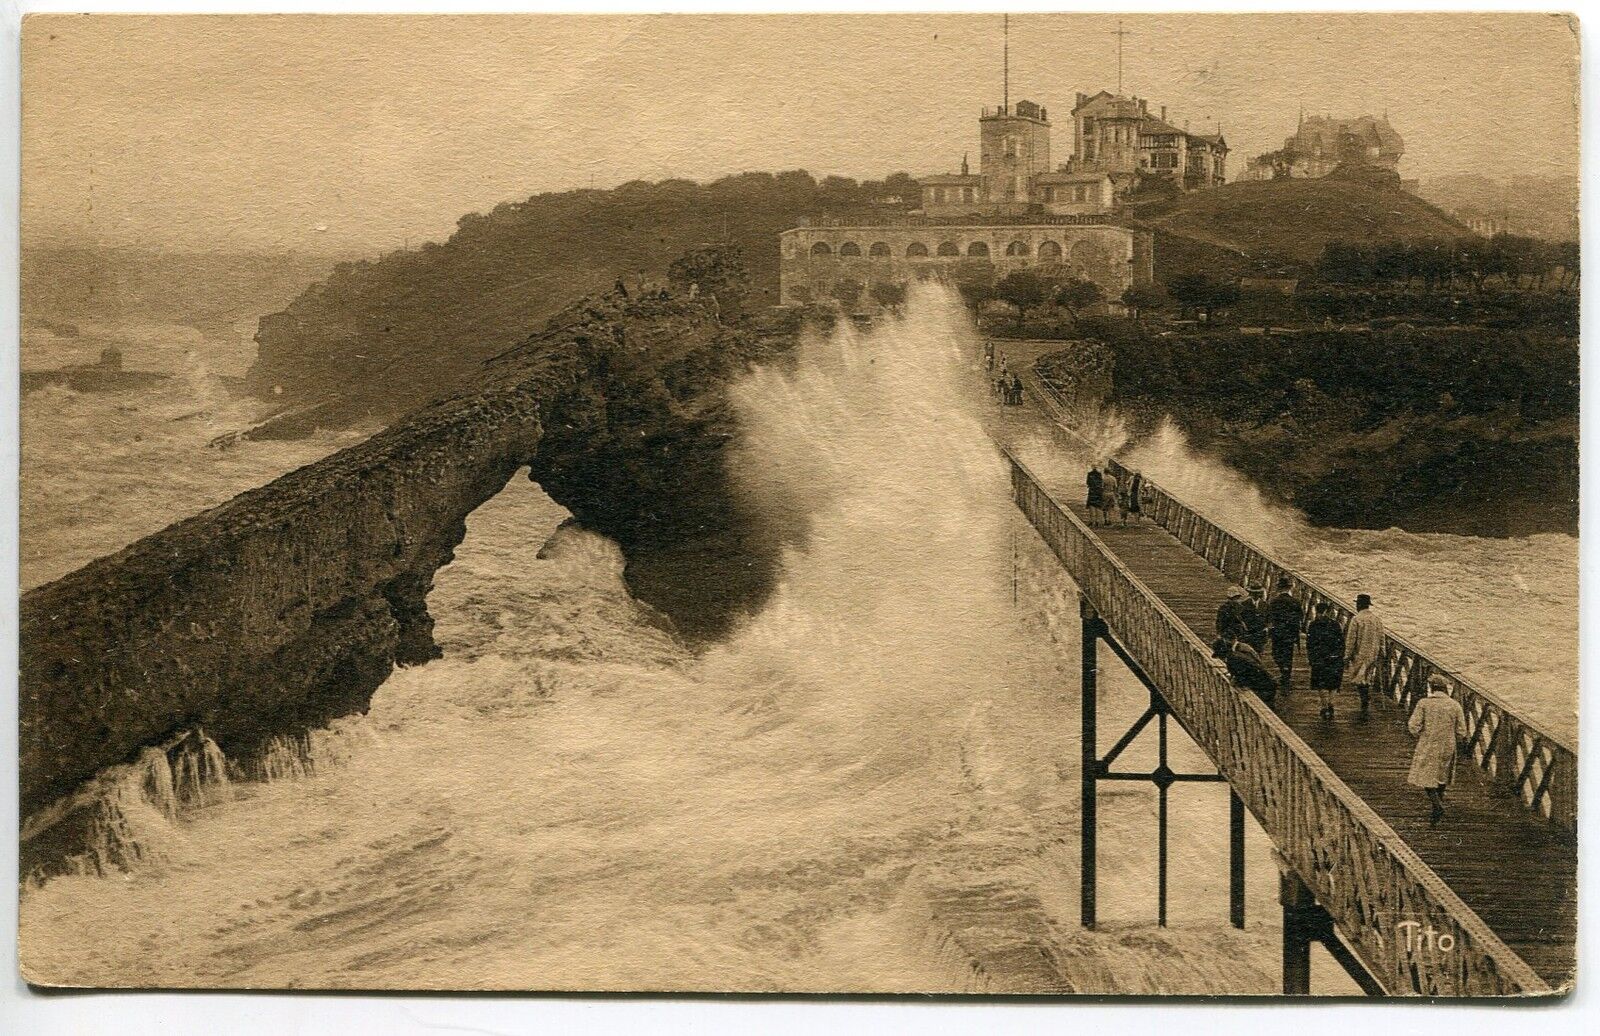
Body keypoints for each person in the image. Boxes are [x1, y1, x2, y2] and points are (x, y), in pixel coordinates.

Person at [1408, 674, 1468, 825]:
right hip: (1448, 744)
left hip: (1429, 743)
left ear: (1432, 688)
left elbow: (1413, 726)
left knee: (1425, 776)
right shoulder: (1454, 705)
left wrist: (1419, 734)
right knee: (1442, 775)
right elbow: (1462, 731)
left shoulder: (1424, 703)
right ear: (1445, 688)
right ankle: (1437, 807)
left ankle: (1437, 805)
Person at [1343, 593, 1385, 720]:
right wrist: (1382, 653)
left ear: (1359, 605)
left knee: (1359, 678)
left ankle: (1364, 699)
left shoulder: (1356, 619)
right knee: (1366, 676)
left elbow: (1351, 639)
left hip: (1360, 653)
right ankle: (1365, 698)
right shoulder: (1376, 619)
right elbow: (1382, 637)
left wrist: (1347, 656)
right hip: (1373, 653)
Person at [1305, 602, 1346, 720]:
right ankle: (1330, 703)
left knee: (1321, 683)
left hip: (1319, 658)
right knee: (1333, 683)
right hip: (1334, 658)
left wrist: (1311, 658)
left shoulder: (1313, 625)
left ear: (1317, 612)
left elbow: (1310, 644)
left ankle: (1324, 705)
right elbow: (1341, 643)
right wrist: (1340, 656)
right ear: (1328, 612)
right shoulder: (1335, 624)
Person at [1213, 637, 1277, 707]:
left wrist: (1235, 680)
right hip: (1266, 683)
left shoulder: (1233, 660)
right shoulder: (1235, 656)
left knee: (1265, 707)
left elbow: (1241, 677)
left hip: (1264, 686)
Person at [1266, 576, 1304, 689]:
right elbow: (1300, 617)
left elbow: (1269, 617)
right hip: (1291, 633)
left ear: (1279, 589)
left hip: (1278, 633)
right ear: (1289, 588)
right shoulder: (1295, 602)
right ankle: (1286, 674)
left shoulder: (1274, 602)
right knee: (1288, 655)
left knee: (1276, 654)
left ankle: (1284, 672)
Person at [1240, 586, 1269, 653]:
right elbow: (1241, 618)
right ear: (1251, 593)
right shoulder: (1244, 604)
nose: (1256, 595)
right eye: (1254, 593)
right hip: (1248, 633)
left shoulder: (1265, 605)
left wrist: (1266, 628)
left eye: (1258, 593)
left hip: (1260, 634)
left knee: (1259, 653)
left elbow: (1269, 618)